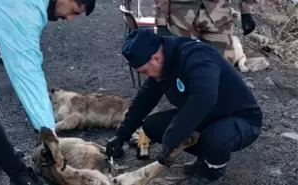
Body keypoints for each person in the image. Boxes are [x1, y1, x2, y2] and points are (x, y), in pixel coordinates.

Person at [0, 0, 96, 184]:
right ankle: (18, 174)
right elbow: (27, 72)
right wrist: (48, 134)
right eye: (74, 11)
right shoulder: (24, 9)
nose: (70, 19)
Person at [106, 29, 262, 185]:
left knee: (214, 138)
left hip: (241, 119)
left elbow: (203, 99)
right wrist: (122, 135)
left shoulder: (197, 57)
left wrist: (172, 137)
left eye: (144, 71)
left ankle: (212, 171)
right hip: (208, 117)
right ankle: (205, 157)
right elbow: (143, 100)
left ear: (156, 58)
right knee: (152, 126)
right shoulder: (163, 64)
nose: (146, 76)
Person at [152, 0, 256, 65]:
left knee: (223, 66)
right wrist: (161, 22)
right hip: (181, 19)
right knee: (181, 66)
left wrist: (246, 11)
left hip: (219, 17)